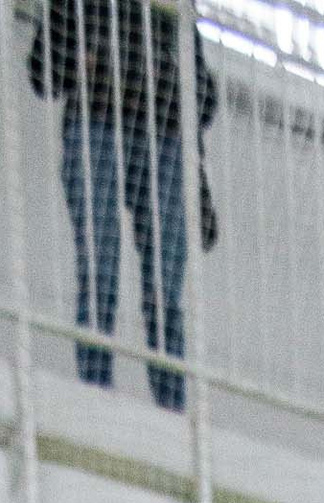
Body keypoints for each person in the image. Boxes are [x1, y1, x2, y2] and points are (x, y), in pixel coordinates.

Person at [30, 0, 217, 417]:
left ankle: (170, 407)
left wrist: (164, 79)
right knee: (102, 271)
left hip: (161, 139)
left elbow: (205, 99)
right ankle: (97, 391)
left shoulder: (169, 9)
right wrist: (84, 62)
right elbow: (43, 73)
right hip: (102, 125)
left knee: (162, 290)